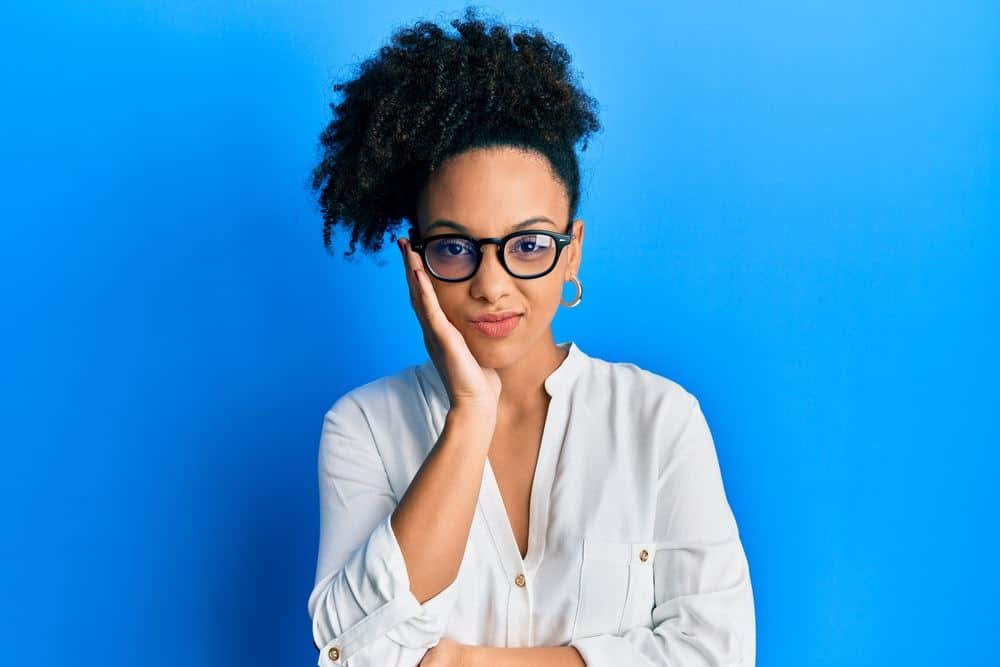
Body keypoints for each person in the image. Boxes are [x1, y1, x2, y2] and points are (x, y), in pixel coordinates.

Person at [306, 7, 755, 666]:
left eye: (528, 244)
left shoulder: (661, 421)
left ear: (571, 252)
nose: (492, 284)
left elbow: (717, 655)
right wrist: (470, 416)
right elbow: (352, 655)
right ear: (415, 258)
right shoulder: (363, 429)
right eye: (456, 247)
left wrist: (461, 661)